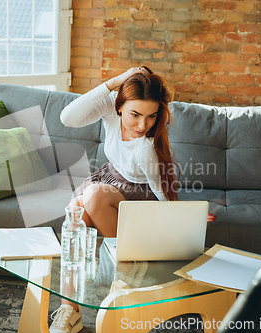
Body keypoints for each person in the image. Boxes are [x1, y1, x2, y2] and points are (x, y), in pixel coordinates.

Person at [49, 67, 216, 333]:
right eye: (135, 115)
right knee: (75, 215)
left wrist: (183, 218)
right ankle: (71, 310)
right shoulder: (110, 107)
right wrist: (113, 82)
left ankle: (129, 285)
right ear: (119, 106)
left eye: (151, 116)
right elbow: (67, 117)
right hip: (109, 180)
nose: (142, 125)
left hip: (139, 198)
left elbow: (161, 191)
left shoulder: (146, 147)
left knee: (94, 196)